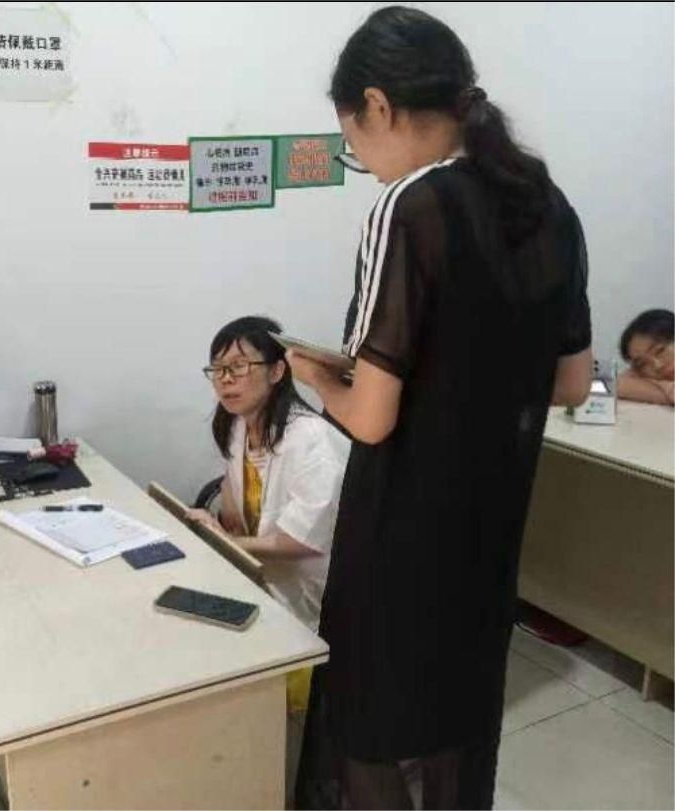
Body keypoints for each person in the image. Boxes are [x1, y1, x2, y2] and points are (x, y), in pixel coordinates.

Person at [286, 8, 593, 809]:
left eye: (353, 143)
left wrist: (317, 377)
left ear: (378, 106)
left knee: (376, 723)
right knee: (460, 721)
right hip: (489, 532)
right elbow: (570, 382)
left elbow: (372, 418)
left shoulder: (412, 206)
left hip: (402, 532)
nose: (364, 163)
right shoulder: (549, 205)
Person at [186, 315, 350, 807]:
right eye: (217, 369)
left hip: (317, 594)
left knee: (286, 702)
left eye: (239, 367)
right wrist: (221, 529)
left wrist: (224, 540)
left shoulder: (311, 440)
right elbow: (235, 504)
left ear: (278, 371)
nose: (226, 380)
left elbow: (299, 540)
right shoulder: (239, 427)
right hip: (267, 578)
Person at [616, 309, 674, 405]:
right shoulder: (640, 373)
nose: (657, 365)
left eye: (660, 351)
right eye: (643, 364)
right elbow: (617, 385)